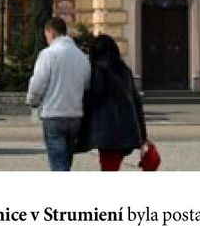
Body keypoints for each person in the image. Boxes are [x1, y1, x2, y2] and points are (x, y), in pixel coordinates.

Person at [26, 15, 91, 172]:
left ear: (51, 32)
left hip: (54, 114)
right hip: (75, 115)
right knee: (66, 160)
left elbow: (38, 82)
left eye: (46, 35)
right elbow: (87, 84)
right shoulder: (82, 57)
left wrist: (32, 100)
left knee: (58, 163)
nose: (46, 39)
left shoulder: (48, 54)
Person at [82, 33, 148, 171]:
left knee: (108, 167)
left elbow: (95, 95)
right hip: (126, 130)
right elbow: (137, 103)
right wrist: (143, 136)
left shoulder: (99, 69)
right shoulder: (125, 70)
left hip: (107, 132)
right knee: (112, 166)